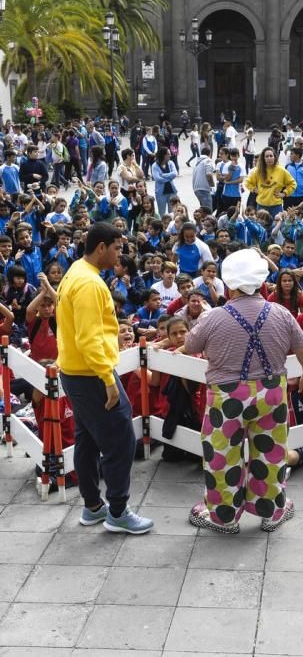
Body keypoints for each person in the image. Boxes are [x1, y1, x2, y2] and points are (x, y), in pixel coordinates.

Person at [182, 248, 303, 534]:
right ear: (259, 282)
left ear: (229, 284)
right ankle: (272, 511)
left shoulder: (214, 316)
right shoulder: (280, 313)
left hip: (226, 397)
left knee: (222, 455)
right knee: (271, 451)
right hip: (271, 394)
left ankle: (224, 517)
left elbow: (191, 345)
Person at [56, 222, 153, 534]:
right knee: (121, 439)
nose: (120, 253)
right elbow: (89, 339)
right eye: (117, 247)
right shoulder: (89, 284)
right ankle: (118, 511)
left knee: (86, 439)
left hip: (76, 372)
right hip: (92, 374)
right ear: (102, 247)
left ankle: (93, 506)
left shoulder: (77, 271)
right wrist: (108, 380)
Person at [245, 147, 296, 218]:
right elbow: (247, 182)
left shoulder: (281, 171)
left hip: (276, 206)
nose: (269, 158)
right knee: (261, 227)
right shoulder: (257, 171)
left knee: (277, 227)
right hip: (261, 205)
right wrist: (254, 189)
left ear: (274, 157)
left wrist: (284, 193)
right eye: (267, 156)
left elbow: (293, 183)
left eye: (271, 156)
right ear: (263, 159)